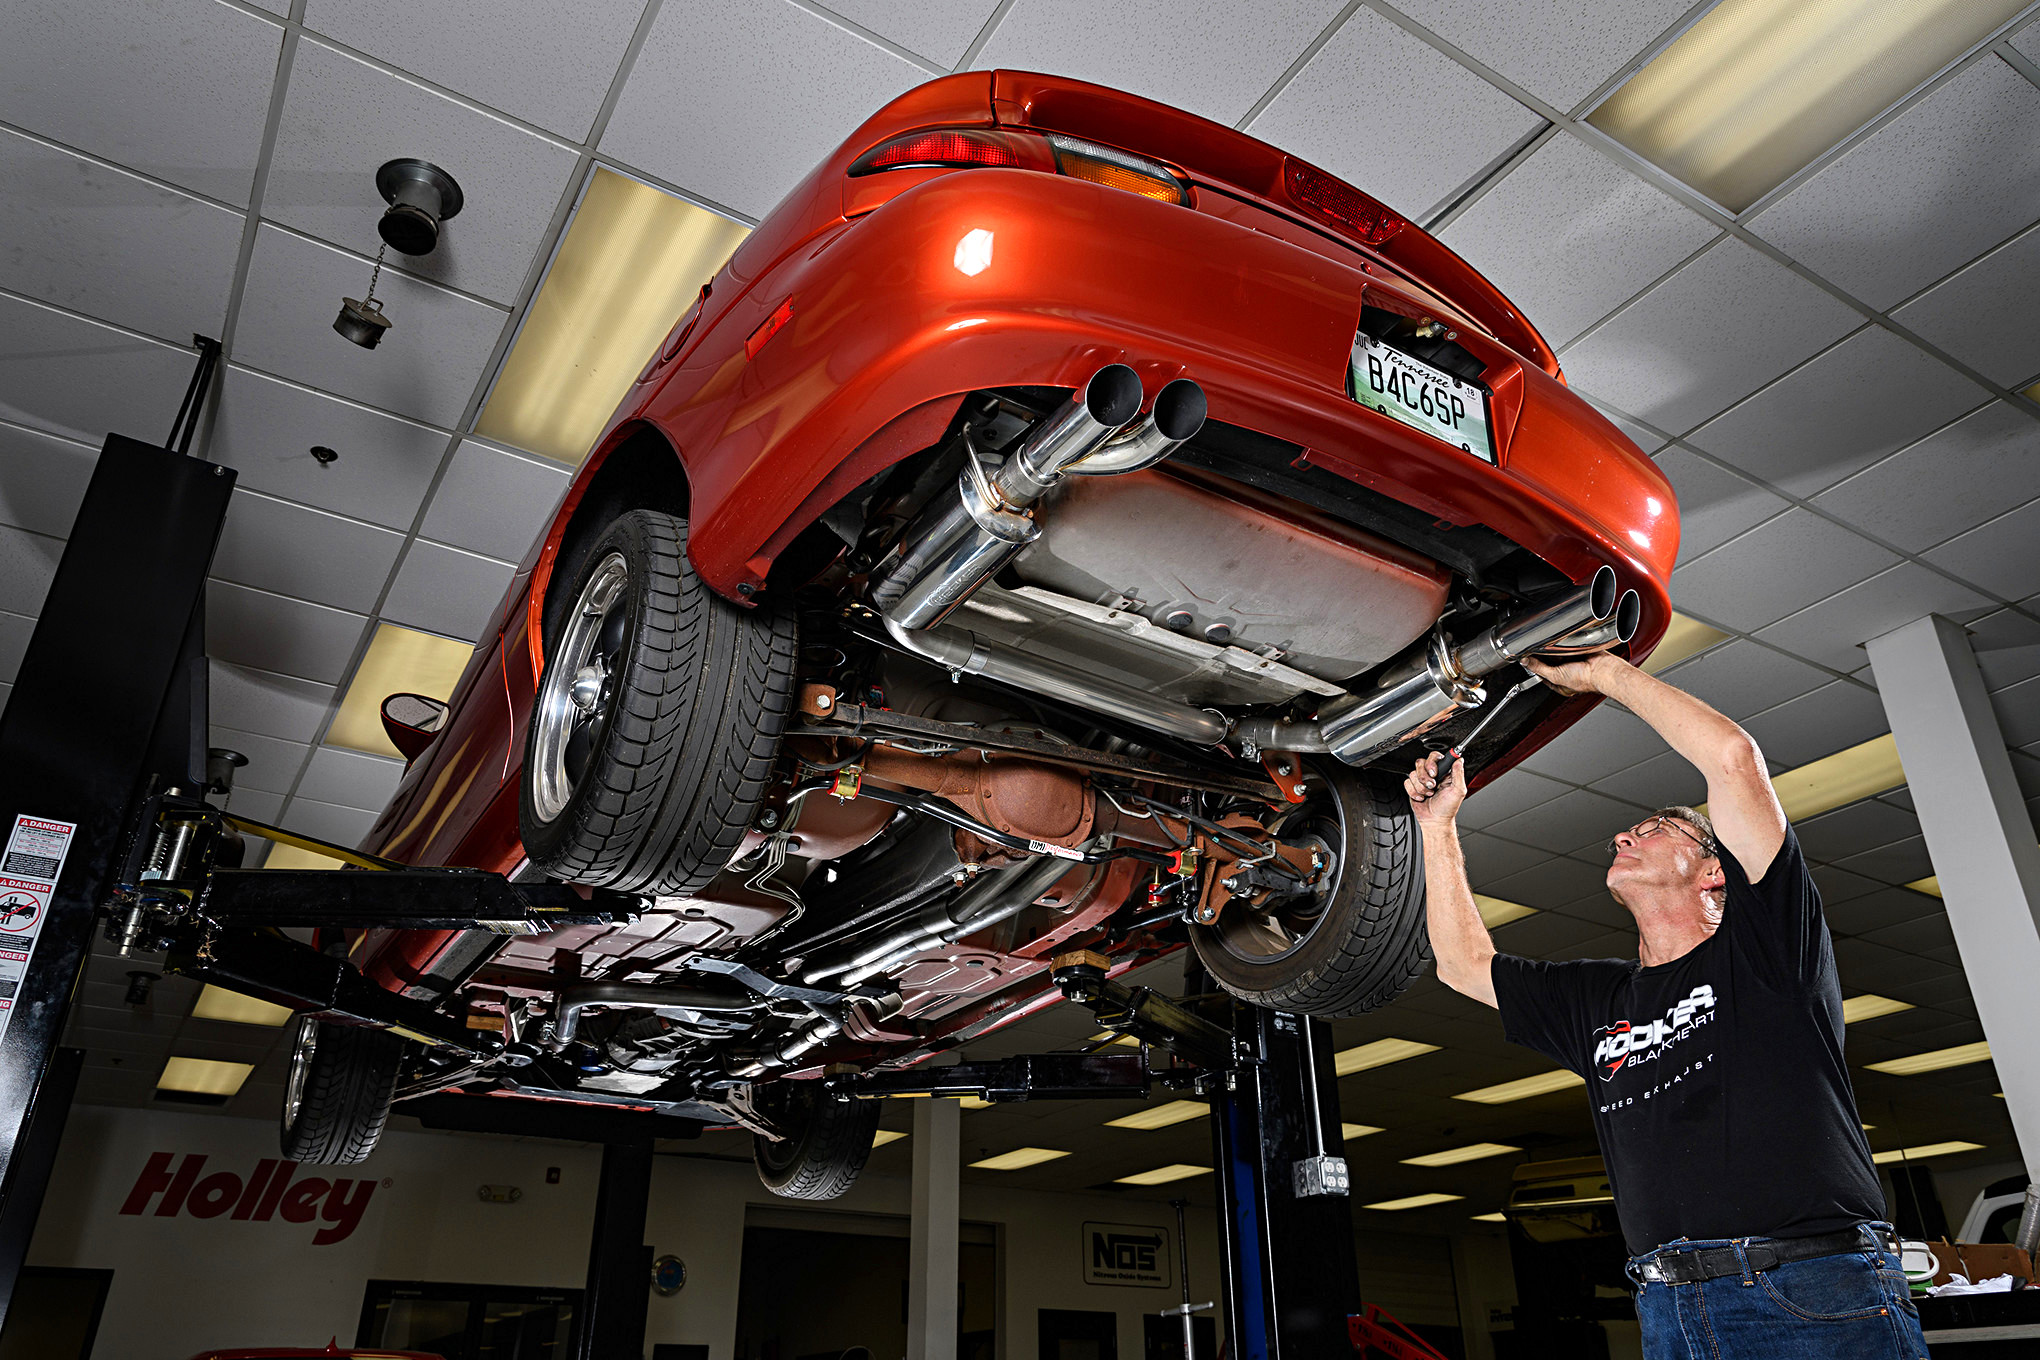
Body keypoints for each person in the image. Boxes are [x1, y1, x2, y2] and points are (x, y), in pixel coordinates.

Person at [1406, 649, 1928, 1360]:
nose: (1624, 835)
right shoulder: (1597, 998)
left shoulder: (1768, 950)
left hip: (1809, 1289)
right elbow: (1462, 965)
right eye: (1629, 832)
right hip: (1669, 1305)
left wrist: (1599, 674)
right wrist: (1437, 827)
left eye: (1655, 828)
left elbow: (1733, 759)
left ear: (1714, 872)